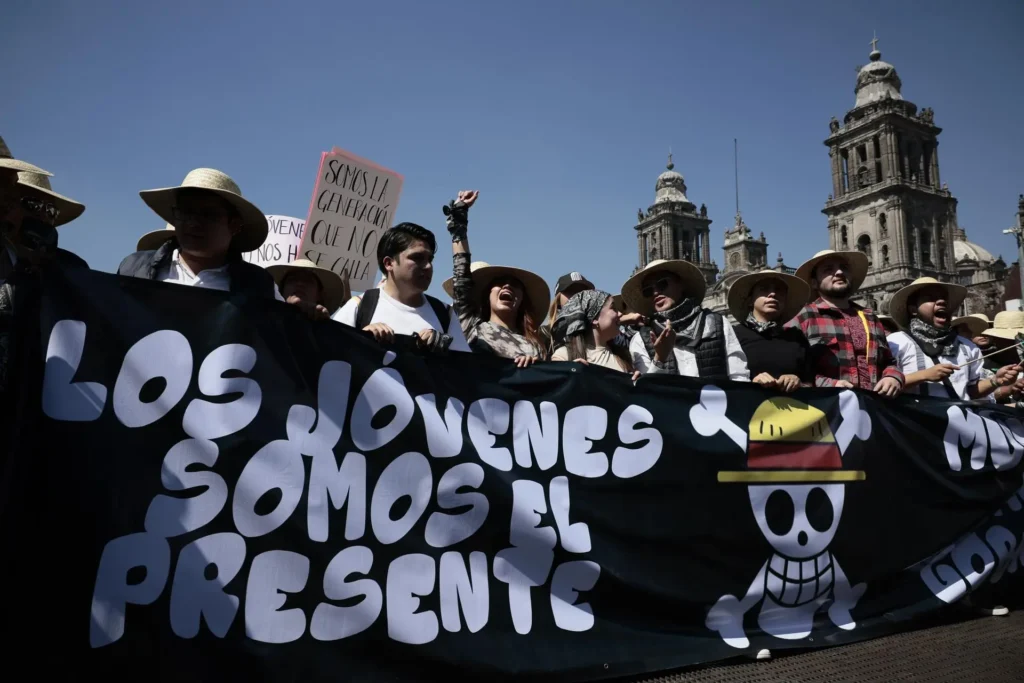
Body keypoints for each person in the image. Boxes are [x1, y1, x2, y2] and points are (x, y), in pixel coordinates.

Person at [117, 168, 318, 311]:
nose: (193, 223)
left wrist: (298, 319)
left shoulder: (259, 286)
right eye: (185, 212)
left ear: (234, 225)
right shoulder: (134, 269)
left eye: (207, 214)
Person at [441, 190, 547, 366]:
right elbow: (461, 276)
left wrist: (534, 367)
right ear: (487, 295)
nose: (507, 286)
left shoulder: (536, 347)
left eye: (515, 285)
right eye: (499, 283)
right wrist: (459, 220)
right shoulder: (470, 327)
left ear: (522, 300)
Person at [333, 221, 470, 353]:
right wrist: (361, 340)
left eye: (430, 259)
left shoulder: (445, 314)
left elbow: (466, 366)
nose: (428, 266)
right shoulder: (360, 307)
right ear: (389, 263)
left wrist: (445, 351)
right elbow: (331, 356)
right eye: (417, 258)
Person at [791, 250, 903, 396]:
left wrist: (893, 377)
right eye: (828, 269)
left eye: (844, 268)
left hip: (874, 405)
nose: (839, 272)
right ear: (814, 283)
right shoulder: (803, 317)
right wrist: (831, 385)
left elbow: (889, 361)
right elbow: (791, 371)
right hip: (828, 405)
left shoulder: (870, 318)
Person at [886, 278, 1018, 400]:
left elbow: (971, 392)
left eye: (944, 299)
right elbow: (881, 386)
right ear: (913, 309)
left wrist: (995, 381)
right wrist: (923, 375)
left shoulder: (967, 346)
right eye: (930, 298)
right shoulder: (896, 342)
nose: (941, 302)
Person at [622, 259, 749, 380]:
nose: (655, 293)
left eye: (662, 284)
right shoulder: (641, 339)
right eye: (648, 291)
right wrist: (659, 358)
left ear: (680, 284)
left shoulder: (717, 323)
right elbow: (646, 389)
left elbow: (739, 377)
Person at [728, 269, 813, 392]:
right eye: (764, 289)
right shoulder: (733, 335)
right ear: (750, 300)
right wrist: (750, 382)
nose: (773, 294)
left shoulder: (796, 337)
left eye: (779, 290)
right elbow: (723, 382)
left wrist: (798, 382)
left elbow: (811, 382)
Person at [550, 289, 639, 379]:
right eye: (613, 308)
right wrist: (569, 375)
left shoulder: (623, 356)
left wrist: (636, 380)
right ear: (594, 318)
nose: (620, 314)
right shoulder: (563, 356)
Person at [267, 258, 349, 318]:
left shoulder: (329, 333)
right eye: (292, 279)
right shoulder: (264, 321)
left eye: (308, 280)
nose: (300, 283)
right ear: (281, 290)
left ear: (319, 294)